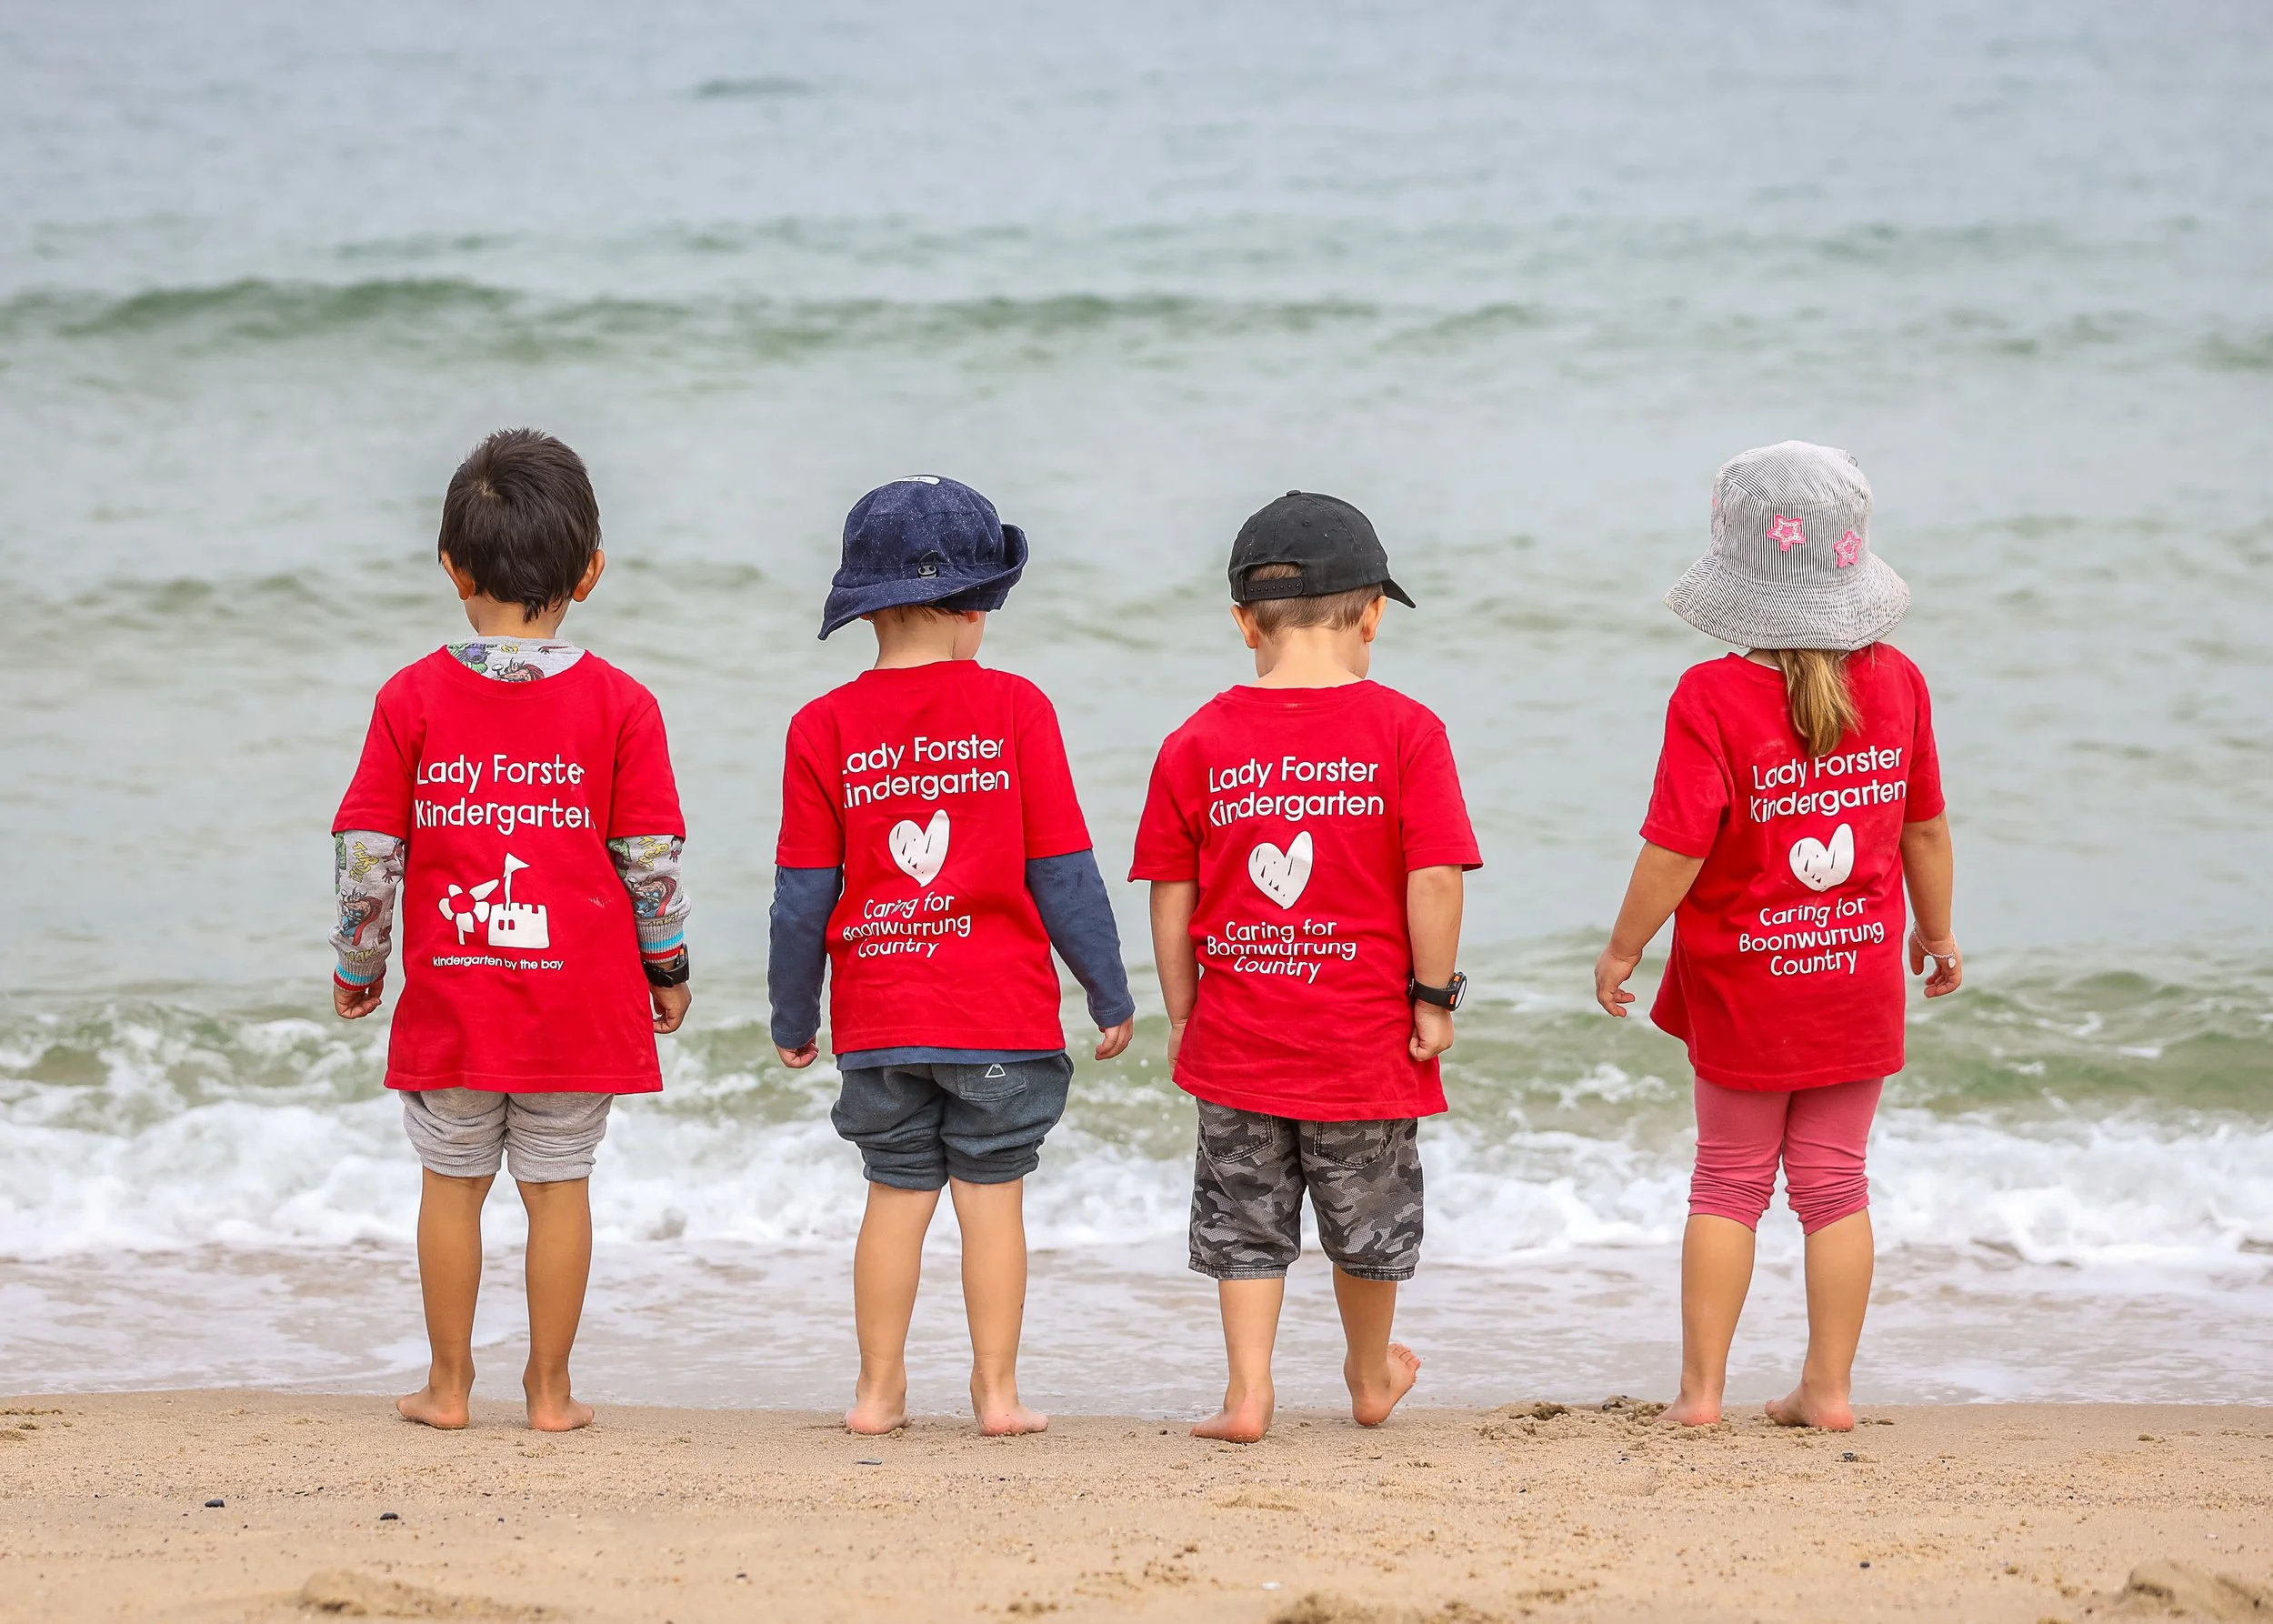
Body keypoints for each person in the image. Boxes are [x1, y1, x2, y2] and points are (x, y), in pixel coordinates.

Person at [1595, 440, 1961, 1433]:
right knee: (1835, 1184)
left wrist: (1624, 947)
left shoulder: (1711, 696)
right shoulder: (1901, 683)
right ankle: (1828, 1391)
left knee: (1727, 1180)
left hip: (1743, 989)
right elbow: (1924, 824)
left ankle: (1701, 1395)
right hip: (1854, 982)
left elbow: (1674, 847)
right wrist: (1936, 931)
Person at [332, 427, 692, 1432]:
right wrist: (667, 967)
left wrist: (361, 960)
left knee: (451, 1182)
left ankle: (447, 1388)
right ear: (591, 569)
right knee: (558, 1185)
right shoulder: (624, 704)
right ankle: (550, 1390)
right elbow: (650, 859)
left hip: (453, 985)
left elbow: (368, 849)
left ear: (452, 568)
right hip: (577, 1001)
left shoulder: (410, 697)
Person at [769, 476, 1135, 1438]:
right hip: (997, 1020)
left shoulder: (822, 728)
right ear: (974, 607)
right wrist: (1107, 990)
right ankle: (997, 1392)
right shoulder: (1016, 709)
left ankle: (878, 1393)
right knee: (990, 1199)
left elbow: (803, 894)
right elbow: (1063, 871)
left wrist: (792, 1014)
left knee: (894, 1197)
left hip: (880, 1016)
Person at [1131, 492, 1480, 1443]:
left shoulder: (1195, 739)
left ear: (1245, 623)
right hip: (1366, 1041)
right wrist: (1431, 999)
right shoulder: (1408, 730)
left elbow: (1170, 891)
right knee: (1366, 1224)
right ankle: (1369, 1377)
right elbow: (1435, 877)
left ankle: (1248, 1394)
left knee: (1244, 1220)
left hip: (1236, 1038)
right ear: (1371, 615)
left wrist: (1182, 1010)